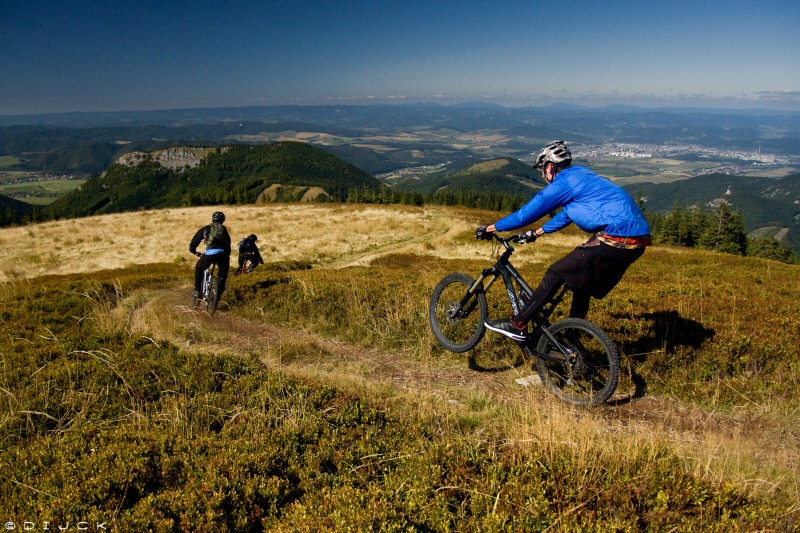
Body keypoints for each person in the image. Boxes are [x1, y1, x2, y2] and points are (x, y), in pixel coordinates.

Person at [477, 140, 651, 341]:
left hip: (617, 237)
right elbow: (568, 214)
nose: (543, 176)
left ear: (550, 167)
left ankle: (518, 324)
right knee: (583, 285)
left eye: (543, 170)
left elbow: (526, 214)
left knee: (556, 272)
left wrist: (490, 228)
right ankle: (571, 341)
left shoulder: (564, 182)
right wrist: (537, 233)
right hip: (636, 239)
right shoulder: (581, 174)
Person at [189, 211, 231, 301]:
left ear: (212, 220)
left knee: (199, 267)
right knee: (223, 274)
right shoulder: (224, 230)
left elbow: (195, 241)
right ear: (223, 221)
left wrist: (193, 250)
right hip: (223, 254)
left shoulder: (206, 229)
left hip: (210, 254)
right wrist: (226, 256)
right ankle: (217, 295)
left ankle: (197, 290)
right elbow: (228, 244)